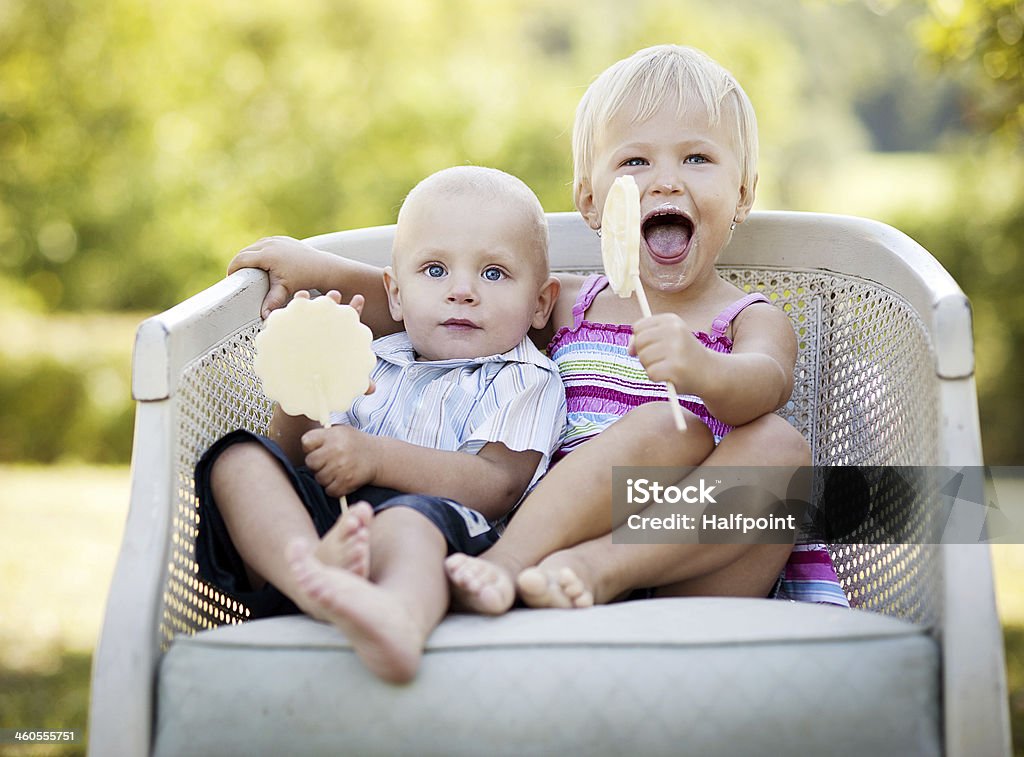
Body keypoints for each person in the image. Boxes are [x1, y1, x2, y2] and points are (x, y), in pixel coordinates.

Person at [228, 44, 849, 616]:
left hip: (693, 561)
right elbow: (437, 306)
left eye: (697, 158)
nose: (664, 180)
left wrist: (701, 369)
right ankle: (507, 565)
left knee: (780, 451)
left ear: (743, 192)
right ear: (590, 200)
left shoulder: (749, 317)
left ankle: (602, 569)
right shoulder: (574, 301)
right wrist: (314, 268)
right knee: (660, 428)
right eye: (635, 160)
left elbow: (764, 386)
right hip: (554, 534)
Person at [195, 165, 566, 683]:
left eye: (494, 273)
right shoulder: (369, 356)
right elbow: (298, 454)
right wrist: (307, 375)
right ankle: (310, 579)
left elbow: (496, 486)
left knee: (408, 523)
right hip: (331, 529)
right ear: (394, 294)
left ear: (541, 304)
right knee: (239, 460)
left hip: (437, 535)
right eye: (435, 270)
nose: (462, 291)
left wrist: (376, 457)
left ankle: (398, 620)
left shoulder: (525, 376)